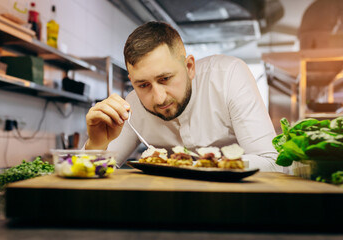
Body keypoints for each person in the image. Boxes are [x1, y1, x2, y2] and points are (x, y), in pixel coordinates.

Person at [85, 21, 283, 172]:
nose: (159, 98)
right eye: (143, 85)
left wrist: (200, 166)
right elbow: (96, 171)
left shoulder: (228, 76)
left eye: (165, 78)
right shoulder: (132, 106)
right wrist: (96, 145)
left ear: (189, 67)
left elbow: (271, 161)